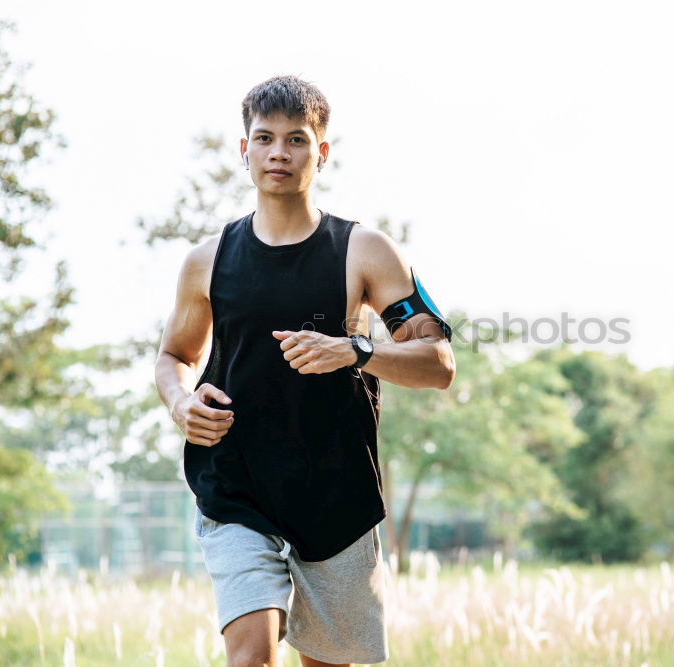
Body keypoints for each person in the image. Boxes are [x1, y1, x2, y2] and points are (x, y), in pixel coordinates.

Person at [154, 75, 456, 667]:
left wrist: (357, 351)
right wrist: (179, 402)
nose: (278, 154)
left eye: (296, 140)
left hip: (335, 492)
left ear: (320, 152)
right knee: (250, 657)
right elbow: (174, 358)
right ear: (245, 151)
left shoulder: (367, 251)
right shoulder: (205, 262)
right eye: (264, 139)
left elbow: (438, 363)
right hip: (236, 485)